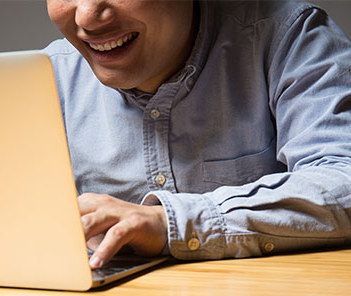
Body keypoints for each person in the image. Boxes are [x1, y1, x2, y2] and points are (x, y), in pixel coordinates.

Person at [42, 0, 351, 269]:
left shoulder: (289, 35)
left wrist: (170, 223)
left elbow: (344, 181)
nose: (86, 17)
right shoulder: (44, 78)